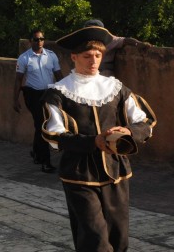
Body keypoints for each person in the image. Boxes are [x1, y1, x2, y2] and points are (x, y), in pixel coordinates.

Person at [41, 26, 156, 251]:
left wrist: (129, 132)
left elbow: (145, 121)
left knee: (119, 236)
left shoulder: (115, 88)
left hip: (116, 170)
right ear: (74, 57)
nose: (93, 60)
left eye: (98, 55)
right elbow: (54, 136)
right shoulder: (59, 92)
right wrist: (93, 142)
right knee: (94, 238)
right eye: (87, 56)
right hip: (79, 174)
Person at [13, 29, 63, 172]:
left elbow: (58, 74)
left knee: (40, 125)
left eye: (42, 39)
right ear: (30, 41)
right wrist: (14, 100)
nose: (40, 42)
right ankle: (45, 162)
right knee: (43, 125)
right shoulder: (24, 58)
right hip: (33, 95)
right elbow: (18, 80)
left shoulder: (51, 56)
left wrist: (67, 91)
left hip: (48, 93)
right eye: (36, 39)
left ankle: (36, 153)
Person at [83, 19, 151, 76]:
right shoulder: (83, 41)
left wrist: (139, 44)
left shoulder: (109, 40)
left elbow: (125, 40)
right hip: (87, 72)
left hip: (104, 73)